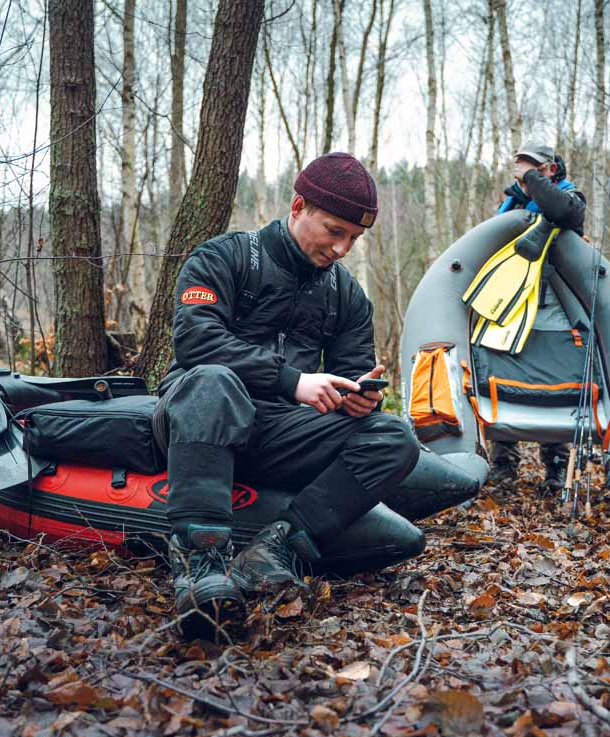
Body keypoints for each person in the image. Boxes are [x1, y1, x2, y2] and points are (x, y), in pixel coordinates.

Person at [153, 152, 419, 637]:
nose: (342, 248)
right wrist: (293, 382)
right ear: (298, 206)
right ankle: (200, 566)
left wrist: (359, 398)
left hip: (279, 433)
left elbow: (349, 374)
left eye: (354, 239)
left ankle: (278, 548)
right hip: (197, 417)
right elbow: (195, 342)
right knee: (215, 382)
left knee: (394, 437)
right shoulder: (223, 257)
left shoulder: (348, 295)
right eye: (334, 231)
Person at [490, 142, 586, 493]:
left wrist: (531, 178)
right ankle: (503, 467)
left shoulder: (569, 196)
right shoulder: (512, 203)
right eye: (522, 167)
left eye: (534, 168)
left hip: (556, 311)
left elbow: (563, 213)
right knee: (502, 381)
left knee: (555, 385)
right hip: (512, 307)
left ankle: (556, 469)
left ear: (550, 170)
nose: (525, 175)